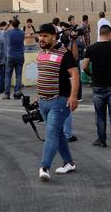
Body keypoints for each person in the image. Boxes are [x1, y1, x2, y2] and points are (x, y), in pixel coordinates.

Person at [34, 23, 79, 181]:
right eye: (40, 35)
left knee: (51, 134)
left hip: (59, 101)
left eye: (45, 36)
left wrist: (73, 96)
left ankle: (44, 166)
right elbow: (43, 75)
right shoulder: (41, 53)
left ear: (54, 36)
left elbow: (74, 74)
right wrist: (38, 95)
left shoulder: (64, 53)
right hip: (43, 101)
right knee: (58, 133)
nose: (42, 38)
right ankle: (69, 162)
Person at [82, 24, 111, 151]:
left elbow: (84, 66)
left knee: (100, 115)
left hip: (97, 86)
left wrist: (92, 75)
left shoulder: (91, 48)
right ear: (110, 34)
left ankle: (101, 140)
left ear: (99, 34)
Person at [3, 18, 25, 100]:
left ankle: (7, 94)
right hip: (20, 55)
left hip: (11, 55)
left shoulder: (9, 32)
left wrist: (8, 24)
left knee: (8, 76)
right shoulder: (22, 33)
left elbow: (3, 31)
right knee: (18, 76)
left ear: (12, 24)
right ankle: (17, 93)